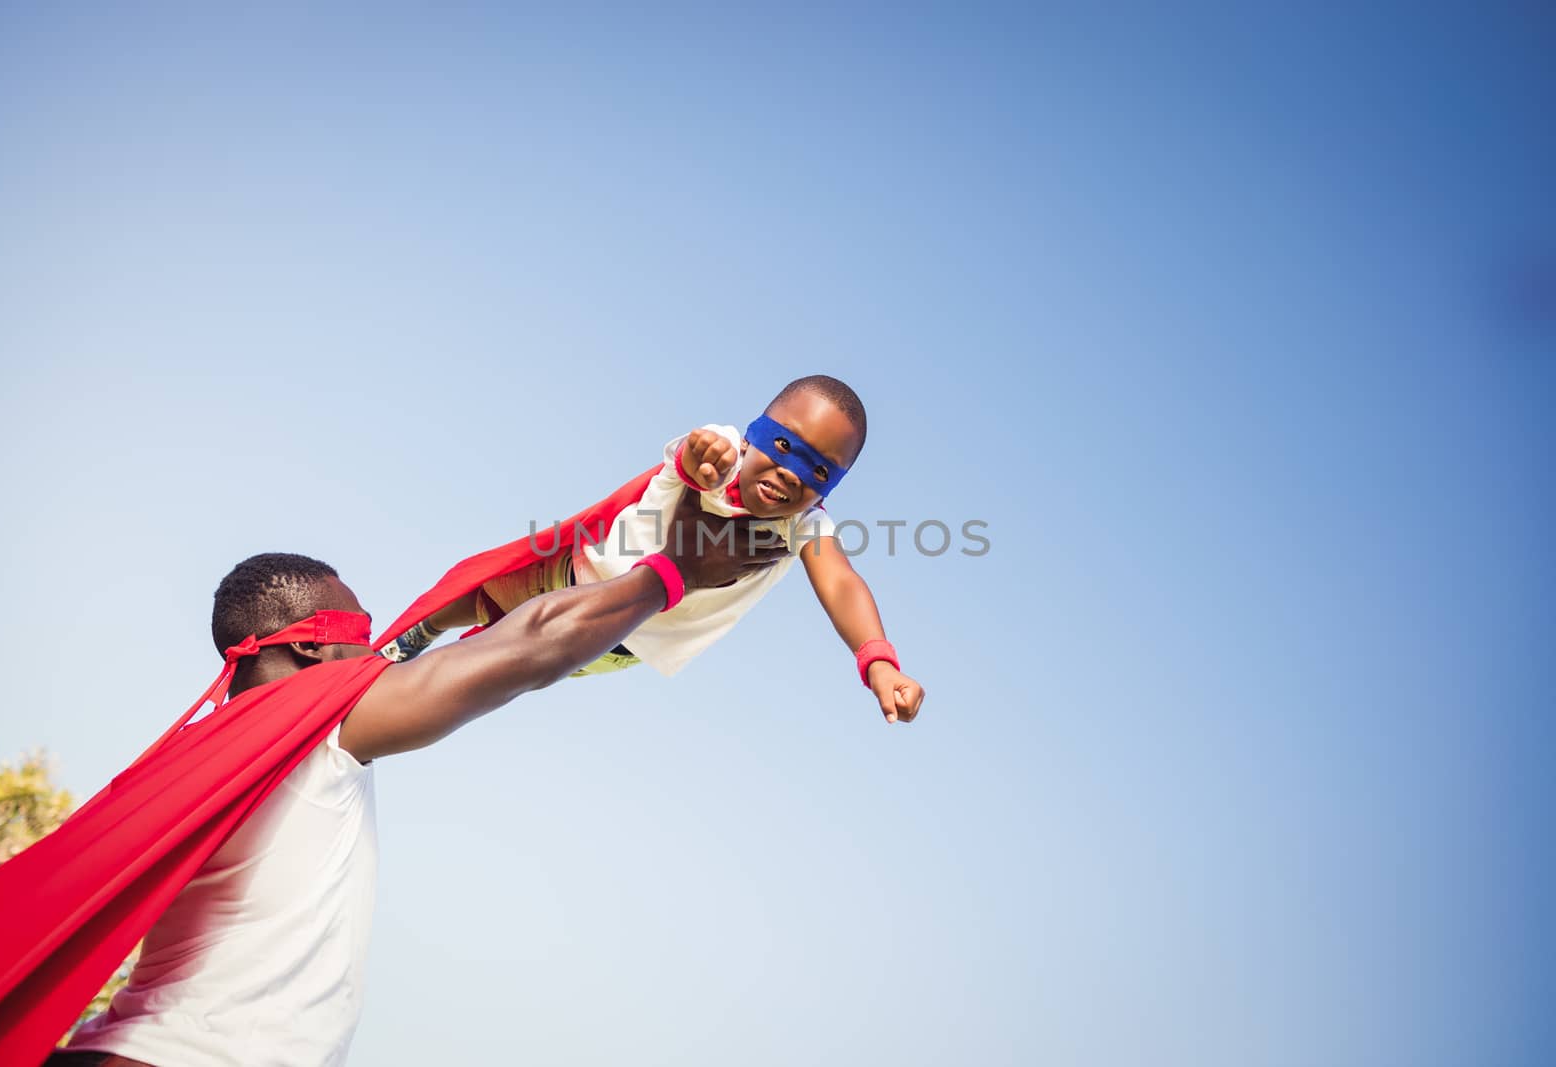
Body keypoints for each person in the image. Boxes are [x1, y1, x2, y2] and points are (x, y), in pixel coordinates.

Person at [48, 496, 786, 1067]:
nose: (377, 647)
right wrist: (675, 571)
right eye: (361, 630)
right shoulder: (317, 723)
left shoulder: (203, 752)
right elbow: (528, 647)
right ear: (309, 643)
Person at [387, 375, 926, 725]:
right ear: (753, 435)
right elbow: (695, 458)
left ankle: (402, 696)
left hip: (615, 641)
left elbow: (840, 581)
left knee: (493, 669)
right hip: (578, 573)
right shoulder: (724, 450)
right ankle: (418, 632)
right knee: (482, 595)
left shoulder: (803, 525)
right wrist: (703, 463)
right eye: (784, 446)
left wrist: (877, 660)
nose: (790, 472)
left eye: (819, 471)